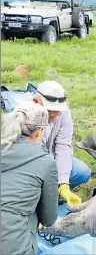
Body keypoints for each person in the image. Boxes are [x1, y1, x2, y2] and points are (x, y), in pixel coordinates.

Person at [1, 103, 58, 255]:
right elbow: (48, 219)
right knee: (32, 210)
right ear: (38, 131)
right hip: (12, 248)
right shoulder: (45, 162)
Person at [35, 80, 90, 206]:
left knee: (82, 172)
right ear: (38, 101)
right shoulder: (26, 115)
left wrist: (63, 185)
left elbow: (63, 147)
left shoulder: (64, 113)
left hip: (51, 156)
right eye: (50, 110)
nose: (54, 114)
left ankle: (55, 192)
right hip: (31, 162)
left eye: (57, 110)